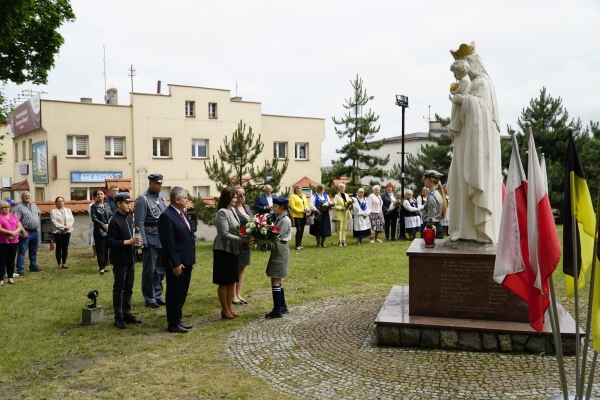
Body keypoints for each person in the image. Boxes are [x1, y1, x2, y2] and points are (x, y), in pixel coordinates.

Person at [448, 42, 502, 243]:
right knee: (459, 183)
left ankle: (476, 231)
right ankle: (462, 230)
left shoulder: (482, 83)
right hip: (465, 140)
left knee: (470, 182)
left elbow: (483, 112)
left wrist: (463, 100)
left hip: (477, 146)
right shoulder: (469, 82)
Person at [158, 187, 196, 333]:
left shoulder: (182, 214)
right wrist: (175, 262)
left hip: (186, 261)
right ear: (177, 200)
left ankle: (178, 319)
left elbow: (189, 238)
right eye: (185, 198)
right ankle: (172, 322)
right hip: (176, 263)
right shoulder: (167, 216)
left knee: (182, 291)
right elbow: (169, 242)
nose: (187, 200)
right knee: (174, 293)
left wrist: (190, 259)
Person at [107, 192, 143, 329]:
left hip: (130, 258)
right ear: (118, 204)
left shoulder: (129, 217)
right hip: (119, 259)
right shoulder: (114, 220)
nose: (129, 205)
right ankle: (118, 316)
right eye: (126, 203)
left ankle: (127, 312)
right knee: (119, 287)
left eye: (129, 202)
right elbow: (110, 242)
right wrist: (128, 242)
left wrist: (136, 242)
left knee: (129, 287)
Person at [134, 173, 168, 308]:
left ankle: (158, 295)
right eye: (157, 183)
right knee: (150, 270)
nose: (160, 185)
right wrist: (143, 241)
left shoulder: (162, 197)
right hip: (150, 237)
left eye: (161, 183)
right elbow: (139, 222)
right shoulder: (143, 199)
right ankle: (149, 297)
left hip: (162, 237)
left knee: (160, 269)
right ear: (150, 183)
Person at [213, 187, 244, 320]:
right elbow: (224, 234)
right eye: (234, 197)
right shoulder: (222, 213)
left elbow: (237, 228)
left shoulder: (233, 211)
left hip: (233, 250)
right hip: (223, 250)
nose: (236, 199)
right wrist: (241, 240)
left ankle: (230, 310)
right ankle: (224, 310)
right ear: (227, 198)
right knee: (224, 282)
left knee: (232, 280)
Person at [265, 196, 292, 319]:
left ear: (281, 208)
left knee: (275, 279)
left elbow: (277, 238)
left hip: (280, 249)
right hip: (280, 249)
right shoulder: (280, 218)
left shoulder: (284, 220)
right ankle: (282, 306)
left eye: (275, 206)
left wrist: (263, 241)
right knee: (277, 279)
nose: (273, 207)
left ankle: (277, 310)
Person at [14, 191, 43, 275]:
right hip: (25, 231)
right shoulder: (19, 207)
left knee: (33, 250)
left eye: (28, 196)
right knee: (22, 251)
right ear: (22, 198)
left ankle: (33, 266)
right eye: (25, 196)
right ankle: (20, 269)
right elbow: (17, 221)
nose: (27, 197)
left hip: (35, 231)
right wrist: (23, 231)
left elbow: (39, 213)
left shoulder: (34, 205)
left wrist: (36, 219)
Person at [233, 186, 252, 305]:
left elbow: (252, 223)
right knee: (235, 267)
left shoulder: (247, 207)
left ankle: (239, 294)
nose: (242, 197)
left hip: (247, 241)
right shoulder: (232, 209)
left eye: (244, 194)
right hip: (237, 241)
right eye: (239, 195)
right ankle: (233, 295)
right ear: (235, 196)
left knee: (242, 267)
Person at [0, 201, 24, 286]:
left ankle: (10, 277)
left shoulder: (13, 216)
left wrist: (14, 233)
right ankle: (1, 279)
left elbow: (19, 226)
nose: (7, 208)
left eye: (8, 206)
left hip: (14, 241)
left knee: (11, 260)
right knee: (2, 261)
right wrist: (10, 233)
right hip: (2, 242)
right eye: (4, 207)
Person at [90, 189, 113, 274]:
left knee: (107, 248)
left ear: (104, 195)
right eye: (98, 194)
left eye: (101, 194)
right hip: (99, 229)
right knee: (100, 249)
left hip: (108, 229)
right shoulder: (94, 206)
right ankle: (101, 268)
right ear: (95, 197)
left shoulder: (107, 205)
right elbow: (94, 218)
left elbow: (111, 215)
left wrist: (108, 224)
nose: (100, 196)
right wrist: (103, 225)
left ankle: (105, 264)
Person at [50, 197, 74, 269]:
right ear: (56, 202)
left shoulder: (68, 210)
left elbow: (72, 219)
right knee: (59, 247)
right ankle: (59, 263)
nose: (60, 203)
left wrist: (67, 227)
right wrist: (63, 228)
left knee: (65, 247)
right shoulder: (53, 211)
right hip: (58, 232)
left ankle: (64, 263)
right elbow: (54, 222)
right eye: (59, 201)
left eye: (62, 201)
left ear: (64, 202)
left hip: (67, 231)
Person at [449, 59, 471, 137]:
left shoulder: (464, 80)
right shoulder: (464, 79)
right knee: (456, 113)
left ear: (462, 71)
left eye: (455, 73)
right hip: (460, 99)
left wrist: (453, 92)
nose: (454, 75)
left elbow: (459, 90)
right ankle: (454, 127)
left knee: (456, 114)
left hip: (460, 100)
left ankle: (454, 127)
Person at [423, 170, 447, 239]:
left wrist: (428, 227)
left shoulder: (432, 195)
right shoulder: (437, 193)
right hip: (436, 227)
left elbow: (431, 213)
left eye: (426, 179)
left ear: (431, 180)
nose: (424, 181)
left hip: (431, 228)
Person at [309, 183, 332, 248]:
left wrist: (330, 205)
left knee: (325, 228)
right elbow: (311, 204)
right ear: (319, 189)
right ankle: (318, 243)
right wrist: (317, 210)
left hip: (325, 214)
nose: (324, 190)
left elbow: (329, 202)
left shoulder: (326, 195)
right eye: (323, 189)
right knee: (318, 228)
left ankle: (323, 243)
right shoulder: (314, 196)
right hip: (317, 214)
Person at [289, 184, 310, 250]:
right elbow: (292, 206)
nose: (299, 190)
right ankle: (297, 245)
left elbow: (307, 204)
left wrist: (307, 209)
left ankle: (300, 244)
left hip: (304, 215)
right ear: (295, 190)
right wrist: (300, 211)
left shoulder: (303, 196)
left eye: (300, 188)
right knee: (299, 229)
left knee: (302, 230)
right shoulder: (293, 196)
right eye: (297, 188)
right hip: (297, 215)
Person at [254, 185, 274, 251]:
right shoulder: (260, 197)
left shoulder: (274, 197)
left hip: (273, 215)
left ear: (271, 190)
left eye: (269, 189)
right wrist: (265, 207)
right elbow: (256, 206)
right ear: (264, 190)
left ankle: (271, 246)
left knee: (272, 231)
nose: (268, 190)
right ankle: (263, 247)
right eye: (267, 189)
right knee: (264, 231)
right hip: (264, 216)